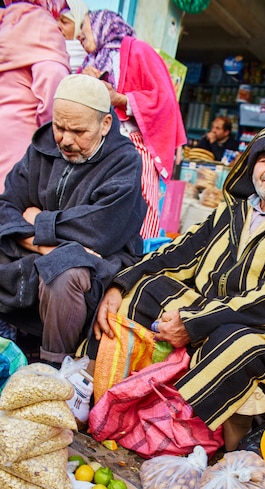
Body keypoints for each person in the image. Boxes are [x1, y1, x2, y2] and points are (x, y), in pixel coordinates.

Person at [91, 95, 265, 452]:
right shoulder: (232, 212)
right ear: (250, 166)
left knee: (233, 339)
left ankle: (169, 425)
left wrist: (192, 322)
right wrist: (120, 283)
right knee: (147, 290)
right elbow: (178, 252)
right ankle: (105, 392)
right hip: (209, 315)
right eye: (264, 158)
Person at [0, 74, 147, 389]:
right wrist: (44, 245)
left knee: (64, 271)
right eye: (59, 127)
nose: (65, 140)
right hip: (39, 247)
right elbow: (7, 207)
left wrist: (38, 221)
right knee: (46, 256)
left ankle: (53, 374)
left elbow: (99, 229)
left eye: (78, 131)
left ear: (105, 124)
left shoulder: (124, 162)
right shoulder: (42, 147)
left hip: (101, 259)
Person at [78, 9, 186, 240]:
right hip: (98, 146)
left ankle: (138, 262)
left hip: (135, 144)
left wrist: (119, 98)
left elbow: (164, 100)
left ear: (102, 25)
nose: (78, 35)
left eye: (83, 26)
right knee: (101, 206)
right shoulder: (89, 62)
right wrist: (83, 80)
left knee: (141, 206)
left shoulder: (139, 50)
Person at [0, 0, 70, 193]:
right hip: (22, 134)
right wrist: (52, 132)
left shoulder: (6, 22)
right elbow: (52, 76)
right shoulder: (40, 21)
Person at [57, 0, 88, 73]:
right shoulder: (43, 51)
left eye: (64, 22)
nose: (57, 26)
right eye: (54, 20)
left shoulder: (94, 60)